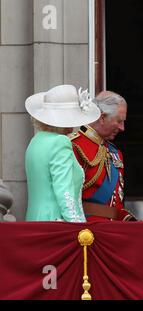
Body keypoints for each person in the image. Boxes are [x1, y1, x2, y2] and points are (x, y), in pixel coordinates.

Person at [25, 84, 101, 222]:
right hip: (57, 223)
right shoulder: (60, 142)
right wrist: (77, 226)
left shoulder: (35, 142)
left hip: (35, 221)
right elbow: (64, 190)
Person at [70, 90, 136, 221]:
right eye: (119, 121)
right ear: (102, 117)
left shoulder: (114, 152)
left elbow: (117, 202)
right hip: (87, 231)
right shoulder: (74, 146)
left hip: (112, 230)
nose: (122, 128)